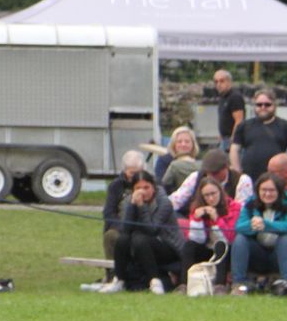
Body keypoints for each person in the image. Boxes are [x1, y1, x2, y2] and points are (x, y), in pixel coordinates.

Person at [103, 171, 181, 294]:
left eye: (146, 187)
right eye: (138, 188)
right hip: (142, 243)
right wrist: (132, 206)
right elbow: (126, 229)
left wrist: (141, 206)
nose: (142, 191)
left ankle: (154, 281)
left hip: (167, 245)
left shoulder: (164, 202)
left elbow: (152, 230)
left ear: (153, 187)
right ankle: (119, 279)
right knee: (122, 239)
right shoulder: (130, 200)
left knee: (139, 238)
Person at [85, 151, 147, 290]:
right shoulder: (115, 186)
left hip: (143, 226)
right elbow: (109, 213)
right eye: (132, 173)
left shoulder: (149, 184)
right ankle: (113, 275)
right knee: (111, 236)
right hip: (121, 227)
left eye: (138, 172)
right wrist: (123, 228)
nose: (135, 177)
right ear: (125, 170)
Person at [232, 172, 287, 293]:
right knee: (240, 239)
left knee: (286, 239)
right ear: (258, 191)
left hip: (279, 254)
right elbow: (239, 227)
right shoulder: (251, 202)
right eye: (264, 190)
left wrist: (267, 225)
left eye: (272, 190)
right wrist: (252, 225)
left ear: (279, 191)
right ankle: (238, 284)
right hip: (258, 252)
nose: (267, 194)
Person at [178, 175, 238, 288]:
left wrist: (216, 220)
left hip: (226, 250)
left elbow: (229, 238)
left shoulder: (234, 207)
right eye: (206, 195)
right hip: (206, 248)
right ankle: (184, 284)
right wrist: (197, 220)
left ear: (220, 191)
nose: (211, 198)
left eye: (213, 194)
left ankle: (220, 285)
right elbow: (197, 239)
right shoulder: (196, 208)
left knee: (220, 245)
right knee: (189, 245)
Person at [231, 89, 287, 184]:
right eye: (259, 105)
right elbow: (234, 149)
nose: (263, 107)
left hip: (277, 180)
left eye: (267, 104)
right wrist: (238, 172)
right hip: (249, 179)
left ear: (274, 105)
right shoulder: (244, 126)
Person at [168, 147, 254, 215]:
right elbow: (177, 200)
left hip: (229, 226)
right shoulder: (195, 177)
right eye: (207, 173)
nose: (210, 176)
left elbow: (241, 211)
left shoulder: (242, 181)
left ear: (226, 167)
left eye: (215, 173)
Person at [156, 126, 202, 192]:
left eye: (187, 141)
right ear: (173, 144)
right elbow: (161, 185)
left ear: (193, 144)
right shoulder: (164, 161)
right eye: (179, 142)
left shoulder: (199, 161)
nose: (183, 144)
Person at [213, 69, 245, 152]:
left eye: (222, 81)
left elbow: (239, 120)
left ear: (229, 81)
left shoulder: (235, 97)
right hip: (224, 139)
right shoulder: (223, 97)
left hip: (231, 140)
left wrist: (233, 138)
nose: (218, 84)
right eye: (216, 82)